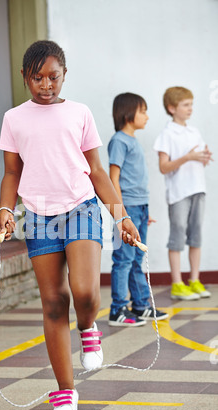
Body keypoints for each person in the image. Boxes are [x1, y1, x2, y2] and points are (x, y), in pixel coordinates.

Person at [0, 41, 140, 410]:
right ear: (26, 77)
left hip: (82, 208)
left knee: (84, 291)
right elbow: (13, 172)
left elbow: (96, 170)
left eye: (53, 77)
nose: (46, 85)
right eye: (38, 77)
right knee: (54, 303)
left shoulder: (79, 113)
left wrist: (120, 216)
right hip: (39, 217)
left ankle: (89, 327)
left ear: (64, 75)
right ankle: (65, 391)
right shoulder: (14, 118)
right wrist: (6, 210)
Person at [108, 93, 168, 327]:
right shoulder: (119, 141)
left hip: (140, 207)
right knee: (123, 258)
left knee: (137, 257)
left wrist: (144, 212)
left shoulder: (133, 141)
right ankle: (117, 309)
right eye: (143, 111)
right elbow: (114, 179)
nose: (147, 116)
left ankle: (141, 305)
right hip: (127, 208)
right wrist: (121, 214)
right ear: (128, 113)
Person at [154, 86, 212, 300]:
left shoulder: (194, 131)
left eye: (191, 104)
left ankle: (194, 280)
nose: (190, 109)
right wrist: (187, 158)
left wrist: (203, 157)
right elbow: (163, 167)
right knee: (177, 237)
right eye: (185, 105)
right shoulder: (167, 134)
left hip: (198, 189)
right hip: (179, 193)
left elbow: (198, 159)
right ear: (171, 108)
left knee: (196, 237)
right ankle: (178, 283)